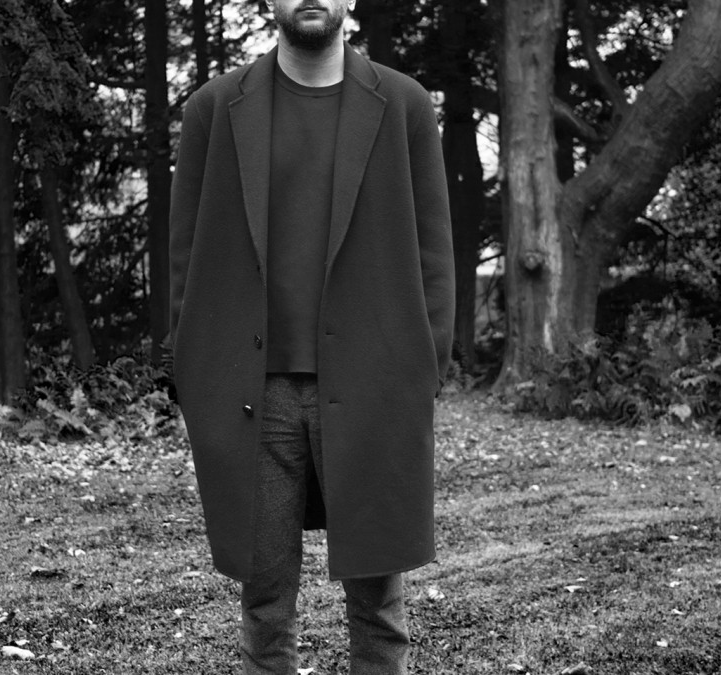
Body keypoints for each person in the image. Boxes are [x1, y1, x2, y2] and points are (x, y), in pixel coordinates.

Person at [166, 0, 454, 672]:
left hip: (374, 384)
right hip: (253, 393)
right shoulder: (213, 109)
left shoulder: (405, 105)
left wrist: (422, 371)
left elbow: (435, 255)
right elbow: (185, 258)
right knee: (266, 603)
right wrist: (193, 373)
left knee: (378, 603)